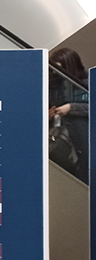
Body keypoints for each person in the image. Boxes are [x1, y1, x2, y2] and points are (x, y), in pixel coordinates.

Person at [49, 47, 89, 182]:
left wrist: (71, 108)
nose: (56, 73)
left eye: (60, 68)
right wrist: (49, 115)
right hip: (64, 140)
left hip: (85, 135)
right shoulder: (53, 85)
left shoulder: (86, 81)